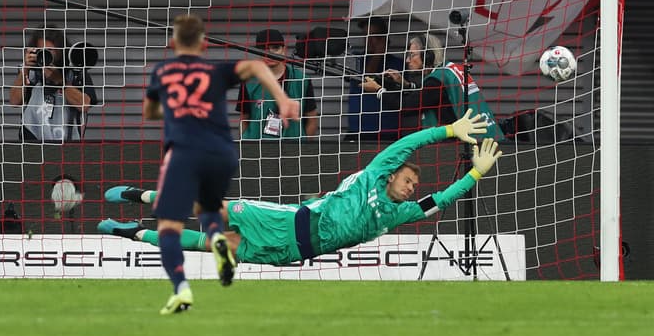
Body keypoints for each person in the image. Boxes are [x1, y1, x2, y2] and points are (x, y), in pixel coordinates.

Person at [99, 110, 500, 267]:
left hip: (291, 252)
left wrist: (475, 174)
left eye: (415, 184)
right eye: (409, 179)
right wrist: (448, 130)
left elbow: (440, 200)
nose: (413, 187)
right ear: (393, 175)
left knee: (209, 244)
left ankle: (133, 231)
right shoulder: (374, 176)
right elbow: (404, 145)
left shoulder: (398, 214)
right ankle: (144, 196)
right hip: (287, 222)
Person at [144, 14, 299, 316]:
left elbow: (151, 112)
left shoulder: (163, 72)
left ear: (173, 43)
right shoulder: (214, 71)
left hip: (185, 151)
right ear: (204, 45)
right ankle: (216, 237)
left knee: (169, 228)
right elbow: (255, 66)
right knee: (208, 205)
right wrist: (281, 98)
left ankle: (181, 290)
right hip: (222, 152)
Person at [361, 32, 503, 140]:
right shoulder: (450, 69)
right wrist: (406, 84)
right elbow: (433, 94)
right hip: (490, 137)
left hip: (474, 144)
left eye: (412, 55)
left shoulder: (437, 81)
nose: (407, 60)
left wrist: (378, 90)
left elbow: (405, 107)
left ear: (428, 56)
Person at [8, 28, 97, 142]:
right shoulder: (31, 72)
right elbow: (15, 102)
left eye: (50, 50)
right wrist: (25, 68)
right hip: (32, 141)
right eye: (42, 51)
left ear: (60, 50)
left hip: (68, 143)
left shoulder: (75, 71)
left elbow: (84, 105)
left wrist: (60, 81)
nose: (46, 55)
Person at [238, 28, 319, 139]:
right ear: (257, 52)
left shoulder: (301, 79)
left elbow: (312, 119)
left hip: (293, 149)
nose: (270, 53)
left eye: (275, 48)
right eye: (264, 49)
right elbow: (244, 120)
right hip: (257, 150)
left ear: (284, 49)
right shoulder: (249, 80)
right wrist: (247, 146)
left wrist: (304, 149)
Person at [345, 17, 402, 138]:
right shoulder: (356, 59)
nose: (369, 40)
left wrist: (380, 53)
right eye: (366, 35)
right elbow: (366, 79)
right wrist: (377, 55)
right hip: (357, 131)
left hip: (387, 133)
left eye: (374, 36)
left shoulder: (398, 64)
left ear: (384, 39)